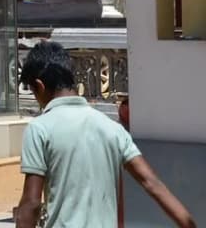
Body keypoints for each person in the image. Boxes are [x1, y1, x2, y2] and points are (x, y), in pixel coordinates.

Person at [15, 42, 195, 228]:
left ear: (39, 86)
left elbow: (32, 204)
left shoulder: (39, 129)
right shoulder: (112, 129)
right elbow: (152, 183)